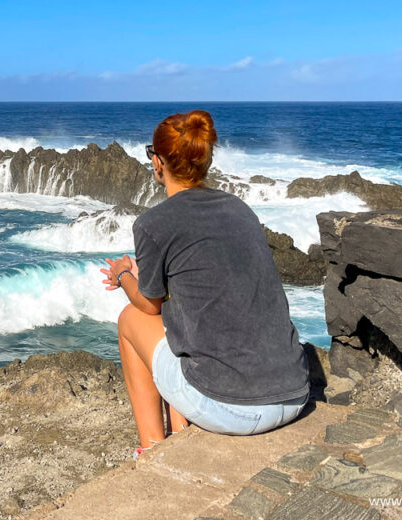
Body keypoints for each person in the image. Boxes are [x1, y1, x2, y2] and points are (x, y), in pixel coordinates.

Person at [100, 110, 310, 452]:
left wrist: (124, 275)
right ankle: (181, 431)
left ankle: (153, 450)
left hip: (233, 409)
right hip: (294, 393)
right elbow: (207, 281)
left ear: (159, 163)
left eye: (151, 154)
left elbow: (148, 304)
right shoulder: (241, 210)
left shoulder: (154, 223)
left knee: (131, 320)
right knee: (177, 325)